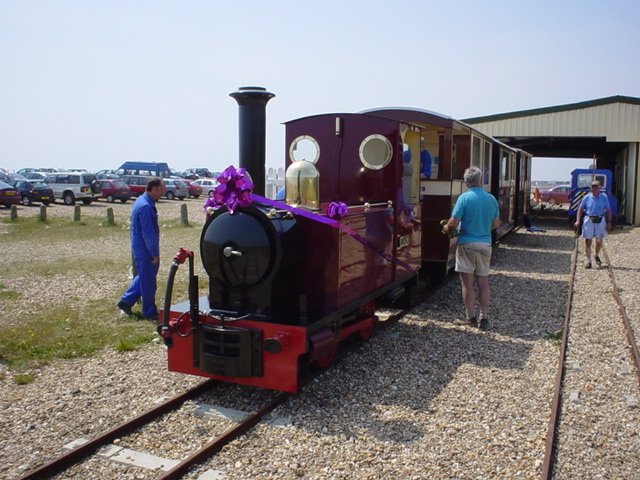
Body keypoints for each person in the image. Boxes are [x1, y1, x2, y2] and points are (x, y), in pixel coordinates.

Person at [443, 166, 500, 330]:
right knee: (483, 281)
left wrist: (447, 228)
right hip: (485, 244)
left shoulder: (464, 198)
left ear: (466, 182)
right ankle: (485, 317)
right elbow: (496, 225)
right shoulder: (491, 199)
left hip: (466, 243)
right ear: (480, 180)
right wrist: (482, 232)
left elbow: (453, 223)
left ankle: (470, 317)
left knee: (467, 283)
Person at [117, 178, 166, 320]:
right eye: (161, 189)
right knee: (148, 280)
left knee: (144, 277)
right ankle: (149, 311)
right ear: (154, 189)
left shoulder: (141, 201)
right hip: (144, 249)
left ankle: (125, 301)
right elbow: (148, 234)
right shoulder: (145, 207)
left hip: (139, 246)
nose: (163, 192)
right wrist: (155, 254)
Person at [574, 180, 612, 268]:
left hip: (600, 219)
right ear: (590, 188)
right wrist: (578, 220)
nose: (594, 188)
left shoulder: (604, 197)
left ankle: (596, 254)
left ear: (599, 188)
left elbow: (608, 210)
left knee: (599, 241)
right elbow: (580, 210)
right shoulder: (586, 197)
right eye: (592, 187)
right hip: (589, 219)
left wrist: (609, 222)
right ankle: (588, 260)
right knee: (588, 241)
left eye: (596, 187)